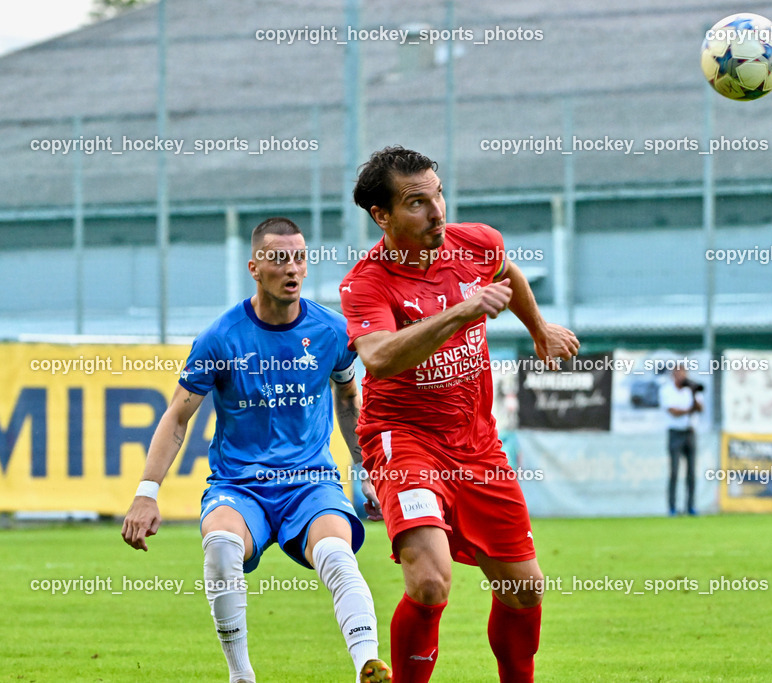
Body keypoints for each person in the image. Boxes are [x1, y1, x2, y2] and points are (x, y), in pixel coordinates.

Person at [340, 146, 579, 682]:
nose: (437, 211)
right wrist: (462, 311)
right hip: (406, 442)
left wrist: (539, 330)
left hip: (478, 444)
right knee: (429, 581)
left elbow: (506, 272)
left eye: (439, 193)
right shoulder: (366, 283)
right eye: (418, 203)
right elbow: (378, 356)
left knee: (524, 590)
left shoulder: (475, 243)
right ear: (382, 216)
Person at [121, 217, 392, 683]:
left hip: (311, 484)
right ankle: (241, 675)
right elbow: (176, 417)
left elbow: (349, 400)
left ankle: (367, 663)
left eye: (300, 258)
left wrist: (366, 471)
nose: (292, 268)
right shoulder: (220, 338)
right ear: (254, 267)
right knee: (222, 547)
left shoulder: (332, 331)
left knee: (336, 552)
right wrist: (147, 492)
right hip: (238, 486)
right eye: (278, 258)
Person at [660, 366, 703, 516]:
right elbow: (673, 412)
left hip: (690, 432)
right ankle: (672, 508)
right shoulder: (667, 390)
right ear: (673, 375)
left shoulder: (691, 389)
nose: (681, 377)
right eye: (678, 374)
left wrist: (693, 394)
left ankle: (690, 506)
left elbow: (700, 408)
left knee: (691, 473)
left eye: (683, 374)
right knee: (674, 472)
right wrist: (689, 410)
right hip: (675, 433)